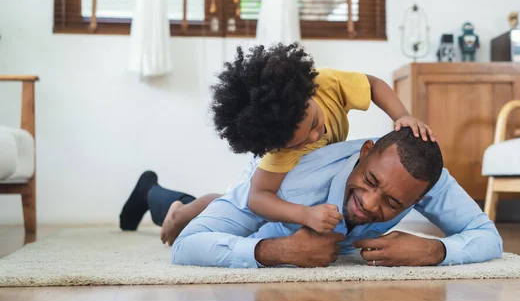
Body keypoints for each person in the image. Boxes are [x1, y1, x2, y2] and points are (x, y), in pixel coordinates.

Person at [120, 43, 436, 243]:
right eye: (301, 142)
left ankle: (160, 197)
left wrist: (403, 115)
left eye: (314, 124)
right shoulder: (278, 152)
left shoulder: (326, 83)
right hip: (265, 184)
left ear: (307, 92)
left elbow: (374, 85)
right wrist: (304, 215)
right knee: (231, 204)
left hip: (290, 184)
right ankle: (172, 210)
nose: (316, 137)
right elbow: (258, 197)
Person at [119, 129, 503, 268]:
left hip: (269, 211)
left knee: (222, 205)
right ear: (366, 151)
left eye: (391, 204)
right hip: (263, 202)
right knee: (190, 223)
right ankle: (160, 197)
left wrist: (435, 252)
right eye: (370, 181)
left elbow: (488, 237)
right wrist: (280, 252)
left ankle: (203, 202)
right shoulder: (293, 177)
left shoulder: (426, 177)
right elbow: (186, 248)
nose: (370, 204)